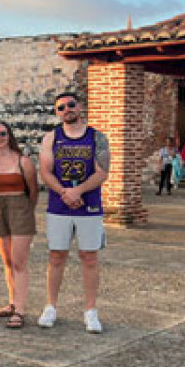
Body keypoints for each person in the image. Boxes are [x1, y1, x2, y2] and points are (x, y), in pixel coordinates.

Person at [37, 92, 110, 334]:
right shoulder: (51, 138)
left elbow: (102, 172)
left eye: (70, 105)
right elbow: (46, 172)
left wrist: (77, 191)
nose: (67, 109)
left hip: (89, 206)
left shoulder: (97, 137)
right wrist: (65, 193)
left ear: (79, 107)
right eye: (61, 107)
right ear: (57, 112)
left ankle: (91, 311)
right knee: (56, 256)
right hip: (59, 206)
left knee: (89, 257)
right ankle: (51, 307)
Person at [0, 121, 38, 329]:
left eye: (2, 133)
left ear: (9, 135)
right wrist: (0, 208)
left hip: (20, 208)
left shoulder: (23, 161)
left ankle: (21, 310)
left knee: (19, 262)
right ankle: (12, 303)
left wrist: (25, 210)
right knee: (7, 261)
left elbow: (33, 191)